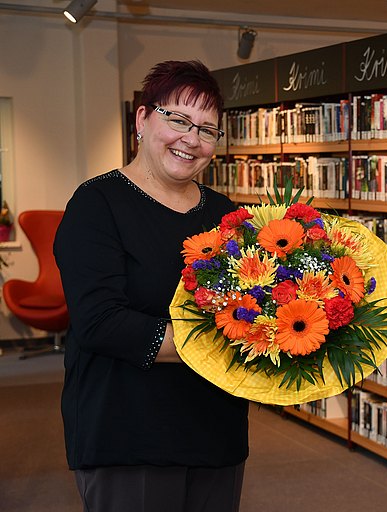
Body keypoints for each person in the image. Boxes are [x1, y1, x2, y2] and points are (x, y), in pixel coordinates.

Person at [54, 60, 248, 512]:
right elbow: (100, 322)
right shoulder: (96, 204)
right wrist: (215, 342)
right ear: (142, 119)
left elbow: (249, 308)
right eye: (177, 119)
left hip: (215, 429)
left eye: (207, 129)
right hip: (127, 431)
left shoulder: (226, 216)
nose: (191, 139)